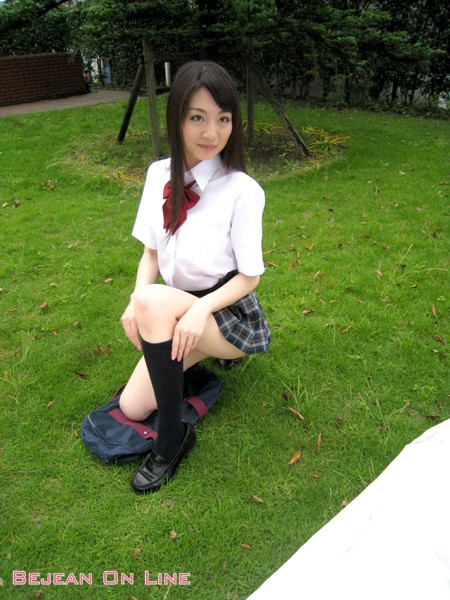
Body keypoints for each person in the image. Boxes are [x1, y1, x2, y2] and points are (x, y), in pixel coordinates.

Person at [119, 60, 271, 494]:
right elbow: (151, 252)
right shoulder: (157, 175)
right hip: (174, 310)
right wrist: (134, 300)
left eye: (223, 119)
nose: (212, 133)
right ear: (177, 119)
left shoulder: (243, 191)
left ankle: (172, 439)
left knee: (152, 301)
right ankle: (190, 363)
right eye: (198, 118)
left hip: (226, 312)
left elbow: (250, 277)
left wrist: (199, 308)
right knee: (131, 406)